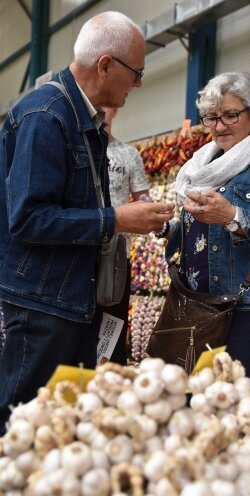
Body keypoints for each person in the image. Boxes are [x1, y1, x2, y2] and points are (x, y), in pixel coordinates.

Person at [0, 10, 174, 435]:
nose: (137, 84)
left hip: (71, 297)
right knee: (23, 423)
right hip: (43, 300)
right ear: (106, 65)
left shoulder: (84, 121)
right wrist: (115, 219)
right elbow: (28, 219)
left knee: (61, 424)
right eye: (136, 73)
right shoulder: (47, 117)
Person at [165, 71, 250, 387]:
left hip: (249, 310)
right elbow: (200, 236)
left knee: (242, 405)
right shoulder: (199, 167)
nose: (219, 126)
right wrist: (167, 229)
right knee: (198, 401)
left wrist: (234, 216)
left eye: (230, 115)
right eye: (211, 117)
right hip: (198, 305)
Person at [103, 106, 151, 364]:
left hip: (116, 258)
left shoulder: (128, 155)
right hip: (76, 252)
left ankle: (110, 378)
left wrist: (154, 211)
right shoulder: (74, 147)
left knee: (112, 326)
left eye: (106, 106)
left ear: (115, 108)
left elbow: (143, 198)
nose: (101, 110)